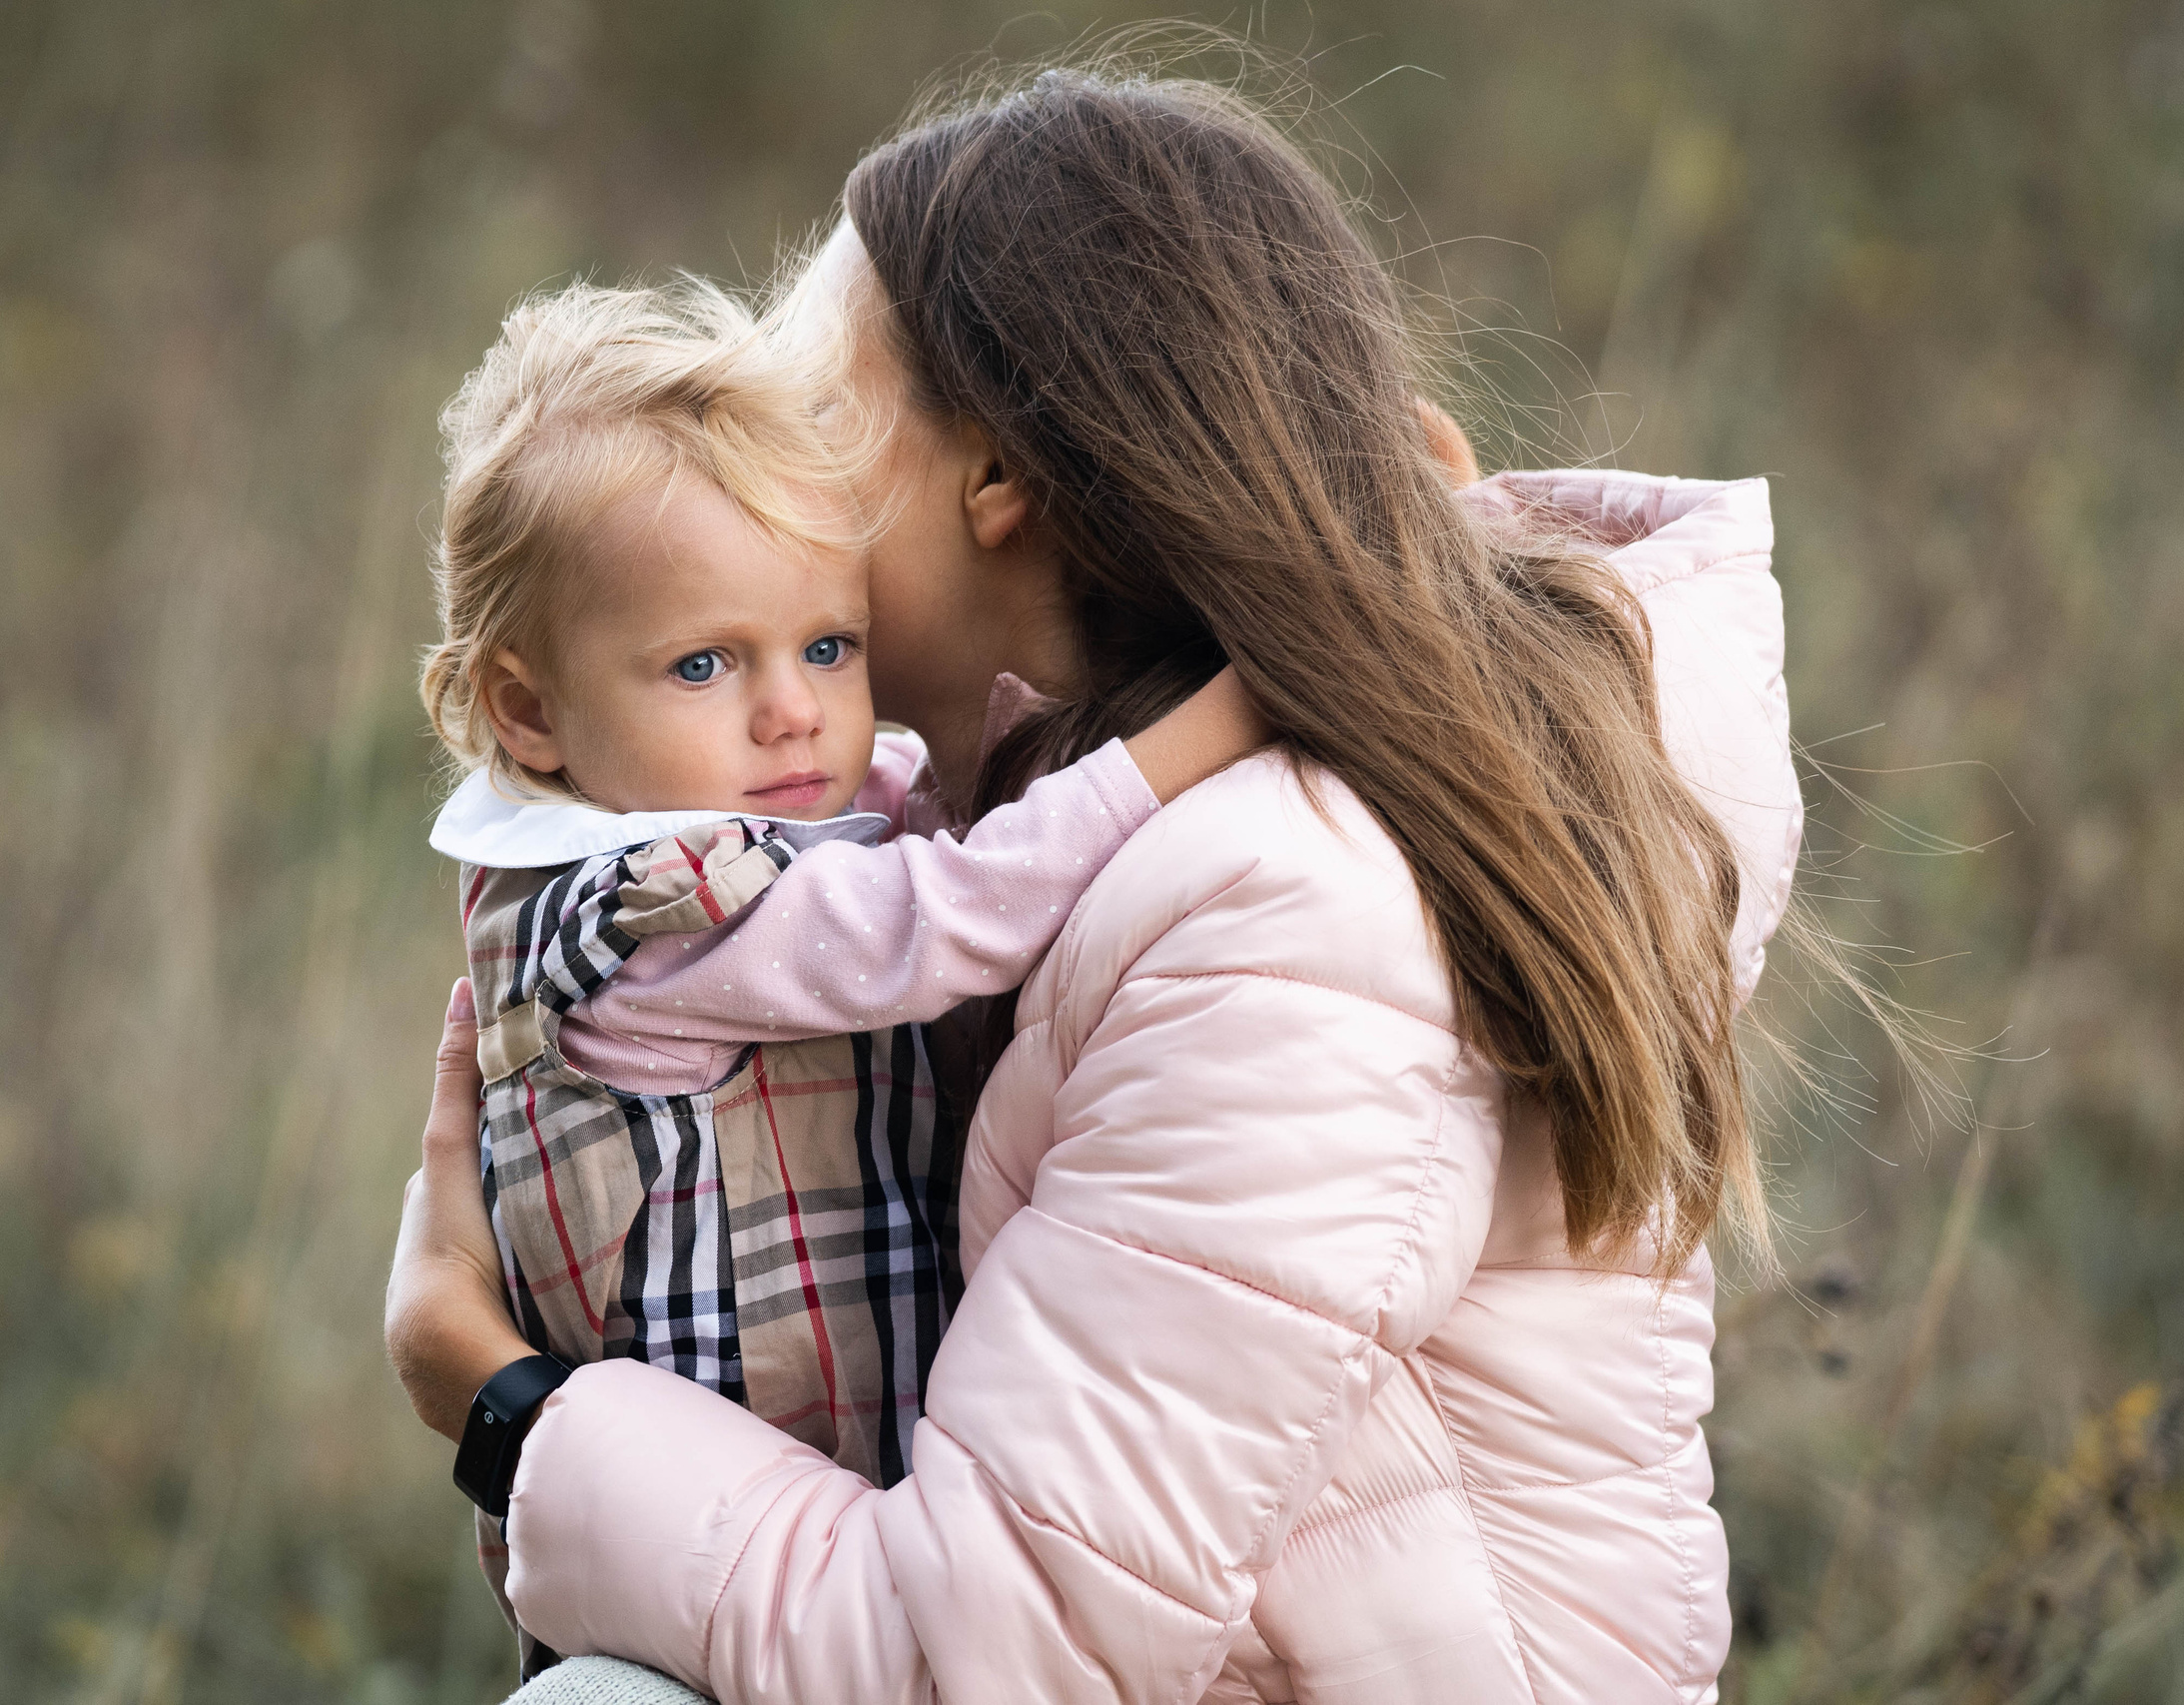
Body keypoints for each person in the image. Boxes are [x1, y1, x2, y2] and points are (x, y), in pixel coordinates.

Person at [388, 66, 1802, 1704]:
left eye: (810, 414)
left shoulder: (1289, 922)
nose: (755, 485)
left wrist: (498, 1398)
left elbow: (972, 1663)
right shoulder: (1048, 816)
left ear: (997, 483)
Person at [414, 277, 1264, 1668]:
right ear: (528, 707)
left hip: (786, 1547)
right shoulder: (651, 917)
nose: (795, 707)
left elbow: (946, 810)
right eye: (704, 664)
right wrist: (1216, 720)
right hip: (692, 1599)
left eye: (828, 643)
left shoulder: (758, 819)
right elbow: (957, 906)